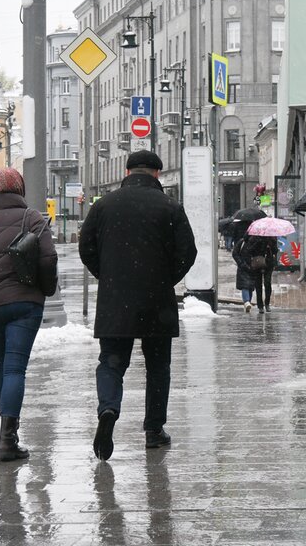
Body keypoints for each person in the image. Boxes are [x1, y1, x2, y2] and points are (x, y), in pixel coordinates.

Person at [79, 150, 197, 461]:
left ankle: (108, 409)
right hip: (156, 300)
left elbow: (86, 247)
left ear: (127, 171)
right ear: (157, 174)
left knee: (111, 363)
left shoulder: (103, 206)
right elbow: (188, 252)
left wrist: (107, 276)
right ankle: (153, 431)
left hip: (115, 300)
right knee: (158, 367)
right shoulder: (170, 207)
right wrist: (164, 278)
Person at [0, 167, 58, 461]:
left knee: (1, 363)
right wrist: (44, 290)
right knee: (15, 368)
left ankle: (6, 432)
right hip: (24, 304)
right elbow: (48, 258)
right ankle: (7, 440)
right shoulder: (32, 218)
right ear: (20, 189)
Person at [232, 232, 278, 313]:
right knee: (258, 285)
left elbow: (275, 251)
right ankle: (260, 306)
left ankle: (267, 303)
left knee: (267, 283)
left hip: (268, 263)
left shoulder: (272, 238)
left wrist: (270, 246)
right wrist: (259, 243)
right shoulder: (255, 238)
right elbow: (250, 250)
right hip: (258, 263)